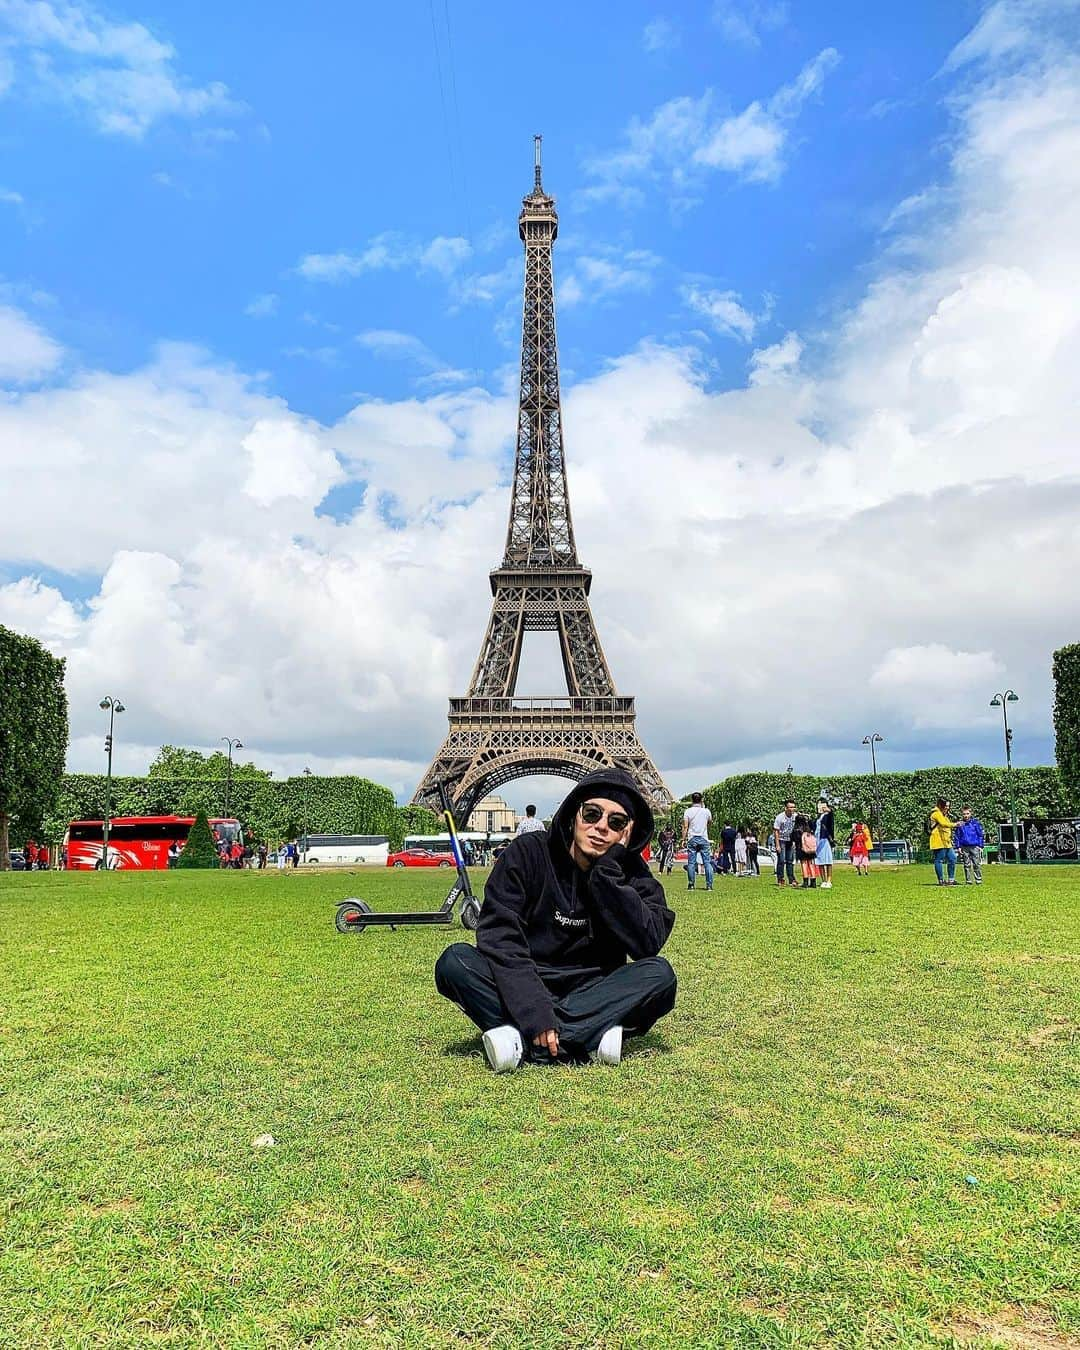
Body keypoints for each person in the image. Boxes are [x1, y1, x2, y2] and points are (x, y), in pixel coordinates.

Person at [434, 768, 677, 1072]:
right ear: (574, 813)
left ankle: (522, 1040)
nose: (600, 827)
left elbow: (649, 942)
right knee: (454, 962)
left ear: (627, 833)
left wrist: (608, 876)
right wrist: (535, 1010)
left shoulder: (631, 875)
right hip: (525, 983)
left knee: (660, 976)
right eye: (592, 814)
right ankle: (586, 1035)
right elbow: (500, 938)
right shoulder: (527, 853)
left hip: (593, 991)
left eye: (615, 822)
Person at [681, 791, 714, 891]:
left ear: (692, 800)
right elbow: (710, 823)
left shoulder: (688, 811)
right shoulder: (706, 811)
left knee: (691, 863)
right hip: (703, 838)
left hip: (692, 838)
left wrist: (683, 839)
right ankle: (709, 885)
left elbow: (685, 826)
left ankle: (691, 885)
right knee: (707, 863)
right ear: (701, 800)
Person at [928, 798, 961, 886]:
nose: (947, 807)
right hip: (938, 840)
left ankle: (951, 879)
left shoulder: (944, 815)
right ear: (940, 805)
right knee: (939, 859)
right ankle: (941, 880)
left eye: (948, 806)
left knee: (952, 858)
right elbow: (944, 824)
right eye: (946, 805)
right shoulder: (936, 814)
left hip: (946, 842)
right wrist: (955, 824)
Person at [954, 807, 985, 885]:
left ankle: (978, 879)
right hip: (964, 847)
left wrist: (980, 846)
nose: (966, 815)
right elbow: (957, 836)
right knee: (966, 864)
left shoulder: (975, 823)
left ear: (970, 814)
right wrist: (958, 847)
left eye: (967, 813)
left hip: (974, 846)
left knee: (976, 864)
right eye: (964, 814)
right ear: (962, 814)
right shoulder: (960, 824)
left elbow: (980, 834)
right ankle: (968, 880)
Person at [773, 800, 797, 887]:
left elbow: (796, 830)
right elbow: (776, 831)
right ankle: (780, 879)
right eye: (790, 807)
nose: (792, 809)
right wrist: (777, 845)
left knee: (790, 861)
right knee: (781, 860)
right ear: (786, 808)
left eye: (793, 807)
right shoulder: (780, 817)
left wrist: (794, 842)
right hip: (781, 840)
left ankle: (792, 879)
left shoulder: (795, 817)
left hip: (790, 840)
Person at [793, 811, 818, 888]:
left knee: (804, 864)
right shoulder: (808, 829)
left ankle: (805, 882)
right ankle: (813, 882)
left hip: (801, 848)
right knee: (811, 863)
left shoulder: (797, 829)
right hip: (811, 849)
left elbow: (794, 839)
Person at [815, 798, 835, 889]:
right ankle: (823, 880)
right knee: (820, 861)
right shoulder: (818, 817)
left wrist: (829, 811)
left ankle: (829, 880)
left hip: (825, 839)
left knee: (828, 861)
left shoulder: (828, 815)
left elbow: (831, 819)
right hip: (817, 839)